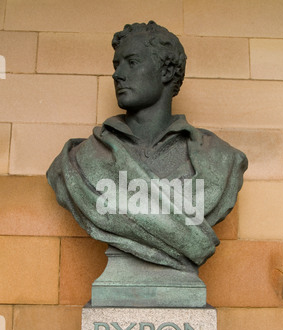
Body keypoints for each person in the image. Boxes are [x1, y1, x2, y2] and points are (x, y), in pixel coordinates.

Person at [47, 21, 248, 273]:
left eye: (131, 62)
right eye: (116, 65)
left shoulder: (221, 159)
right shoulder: (78, 161)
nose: (117, 74)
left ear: (165, 72)